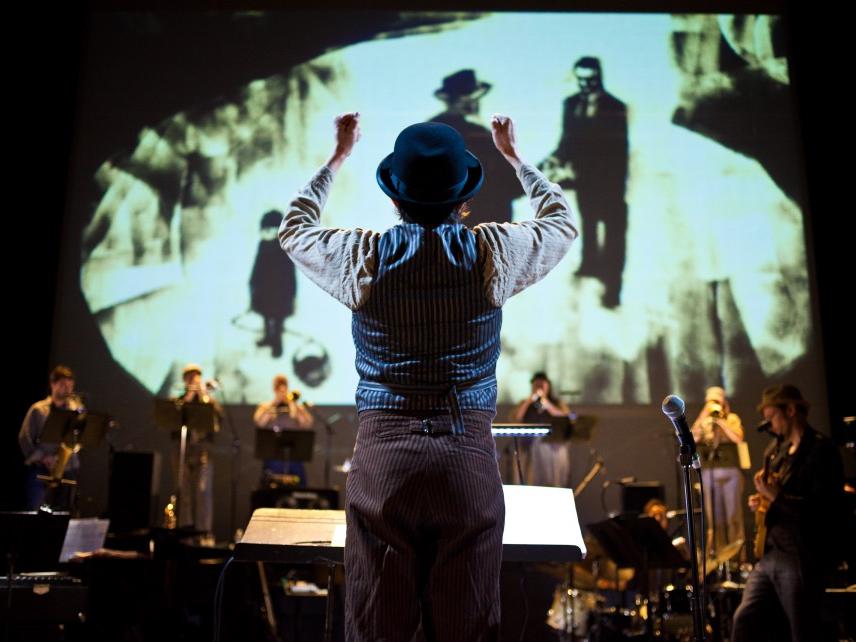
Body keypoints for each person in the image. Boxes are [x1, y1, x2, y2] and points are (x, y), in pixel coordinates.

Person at [279, 112, 576, 640]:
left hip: (384, 465)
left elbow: (295, 228)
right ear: (463, 196)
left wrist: (337, 157)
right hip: (466, 462)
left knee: (379, 628)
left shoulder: (362, 256)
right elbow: (560, 222)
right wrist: (515, 158)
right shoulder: (493, 251)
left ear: (395, 196)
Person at [732, 384, 845, 642]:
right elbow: (777, 498)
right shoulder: (778, 452)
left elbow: (823, 510)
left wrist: (775, 497)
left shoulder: (820, 451)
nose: (769, 424)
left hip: (800, 556)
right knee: (745, 621)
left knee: (801, 630)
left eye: (772, 417)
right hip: (770, 554)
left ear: (791, 410)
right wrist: (762, 501)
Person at [541, 56, 628, 308]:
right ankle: (590, 265)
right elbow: (566, 140)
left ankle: (613, 291)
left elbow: (618, 152)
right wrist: (552, 161)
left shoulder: (615, 107)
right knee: (588, 223)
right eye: (580, 80)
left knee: (613, 236)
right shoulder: (570, 104)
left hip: (609, 184)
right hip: (584, 181)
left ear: (599, 77)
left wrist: (616, 186)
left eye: (590, 80)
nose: (585, 85)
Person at [430, 69, 523, 227]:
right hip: (478, 224)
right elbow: (503, 180)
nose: (476, 103)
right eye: (471, 98)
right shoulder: (476, 134)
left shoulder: (433, 130)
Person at [691, 385, 746, 557]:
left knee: (733, 518)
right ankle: (719, 559)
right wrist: (704, 416)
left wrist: (721, 422)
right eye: (711, 402)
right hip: (709, 474)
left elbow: (738, 439)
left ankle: (738, 558)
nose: (714, 405)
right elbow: (692, 439)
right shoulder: (704, 422)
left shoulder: (732, 418)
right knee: (715, 520)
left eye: (717, 401)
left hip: (731, 474)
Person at [19, 365, 82, 510]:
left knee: (63, 514)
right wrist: (42, 457)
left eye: (70, 386)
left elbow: (79, 439)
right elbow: (24, 437)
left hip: (66, 469)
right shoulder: (39, 409)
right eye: (63, 385)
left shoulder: (75, 410)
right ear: (52, 384)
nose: (67, 389)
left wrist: (63, 456)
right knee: (36, 510)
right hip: (41, 468)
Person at [173, 362, 222, 538]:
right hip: (184, 451)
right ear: (185, 380)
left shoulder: (209, 402)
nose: (193, 380)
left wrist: (202, 394)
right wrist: (190, 394)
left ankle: (204, 532)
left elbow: (217, 421)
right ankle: (185, 532)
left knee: (203, 491)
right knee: (184, 491)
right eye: (189, 377)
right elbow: (173, 420)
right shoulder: (180, 400)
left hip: (203, 451)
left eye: (196, 376)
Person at [511, 372, 573, 486]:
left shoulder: (556, 403)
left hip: (551, 451)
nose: (539, 388)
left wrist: (546, 403)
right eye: (536, 385)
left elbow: (564, 418)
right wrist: (529, 401)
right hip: (528, 450)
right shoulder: (525, 403)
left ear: (548, 386)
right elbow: (517, 418)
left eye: (542, 385)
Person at [249, 210, 297, 358]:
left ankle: (277, 343)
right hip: (264, 289)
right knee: (266, 314)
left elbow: (290, 273)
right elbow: (257, 265)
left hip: (280, 291)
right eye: (266, 230)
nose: (267, 233)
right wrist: (253, 281)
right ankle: (268, 337)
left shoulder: (285, 248)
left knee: (277, 317)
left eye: (271, 229)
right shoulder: (262, 245)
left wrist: (291, 293)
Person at [253, 373, 313, 485]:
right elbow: (260, 422)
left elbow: (307, 424)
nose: (281, 389)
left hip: (294, 455)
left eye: (284, 385)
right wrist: (275, 402)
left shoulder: (294, 406)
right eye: (278, 386)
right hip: (273, 455)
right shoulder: (266, 406)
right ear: (274, 388)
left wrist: (293, 404)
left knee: (300, 483)